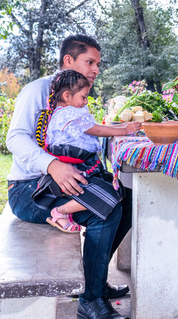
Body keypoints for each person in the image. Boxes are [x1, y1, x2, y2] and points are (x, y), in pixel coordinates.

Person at [6, 35, 132, 319]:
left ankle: (92, 283)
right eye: (90, 62)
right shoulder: (38, 90)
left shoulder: (76, 95)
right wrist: (52, 165)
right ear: (68, 61)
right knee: (105, 209)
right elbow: (15, 138)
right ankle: (91, 300)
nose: (96, 69)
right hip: (29, 189)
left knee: (129, 199)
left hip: (58, 182)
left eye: (98, 64)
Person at [34, 69, 141, 234]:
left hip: (78, 168)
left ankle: (64, 213)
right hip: (75, 171)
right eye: (83, 97)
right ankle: (60, 212)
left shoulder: (62, 113)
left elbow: (98, 128)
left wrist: (124, 128)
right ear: (67, 96)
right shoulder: (70, 113)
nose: (85, 102)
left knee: (115, 191)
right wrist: (124, 129)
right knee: (113, 193)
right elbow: (97, 130)